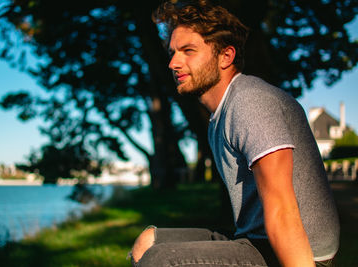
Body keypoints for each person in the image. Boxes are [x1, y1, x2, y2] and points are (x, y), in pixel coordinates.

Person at [130, 0, 340, 266]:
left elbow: (283, 211)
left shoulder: (249, 102)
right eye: (173, 52)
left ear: (225, 56)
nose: (173, 63)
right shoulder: (218, 118)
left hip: (300, 252)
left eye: (188, 51)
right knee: (149, 240)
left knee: (158, 261)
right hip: (254, 239)